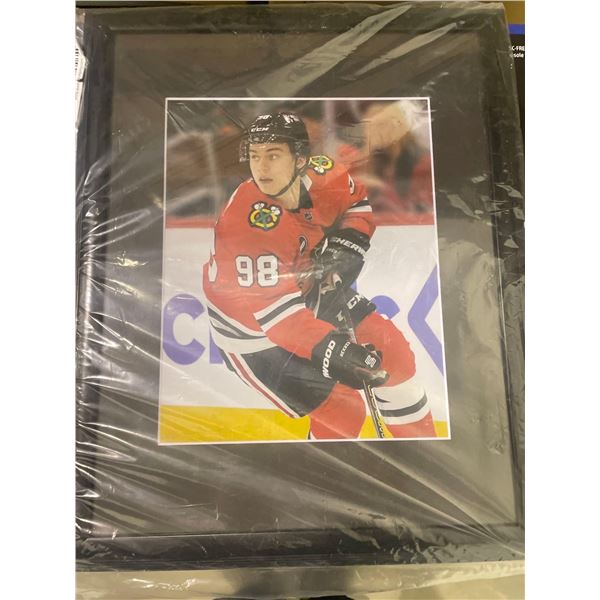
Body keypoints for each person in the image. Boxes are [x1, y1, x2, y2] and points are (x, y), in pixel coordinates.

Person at [202, 111, 435, 440]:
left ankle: (423, 451)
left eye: (273, 155)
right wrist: (334, 351)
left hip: (309, 287)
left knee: (392, 352)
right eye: (254, 156)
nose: (261, 168)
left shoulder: (326, 174)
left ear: (301, 160)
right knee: (342, 408)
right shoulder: (248, 226)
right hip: (252, 333)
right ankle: (326, 471)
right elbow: (282, 322)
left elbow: (356, 203)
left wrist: (348, 242)